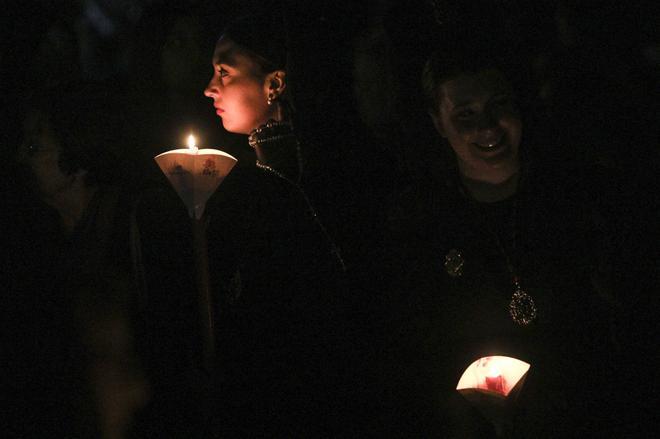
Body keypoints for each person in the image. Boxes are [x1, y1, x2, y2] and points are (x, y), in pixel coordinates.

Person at [380, 41, 622, 437]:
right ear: (438, 122)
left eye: (498, 106)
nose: (488, 127)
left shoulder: (578, 199)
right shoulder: (423, 220)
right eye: (465, 114)